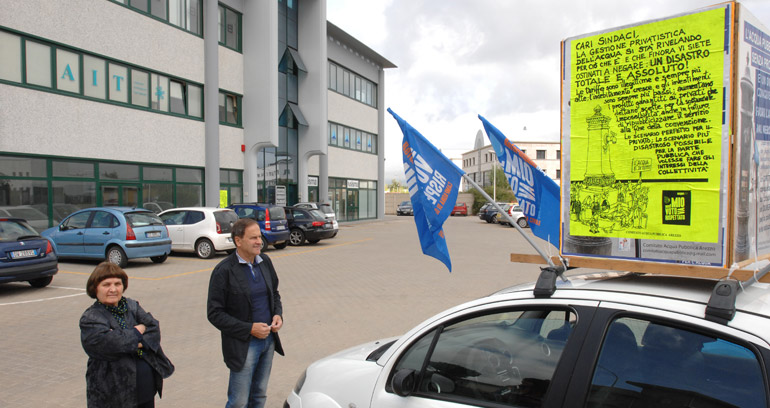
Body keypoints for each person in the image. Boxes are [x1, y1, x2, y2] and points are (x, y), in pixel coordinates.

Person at [208, 218, 284, 408]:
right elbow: (214, 313)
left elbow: (274, 293)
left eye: (259, 236)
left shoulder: (265, 261)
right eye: (253, 238)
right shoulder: (223, 271)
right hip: (244, 345)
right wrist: (249, 328)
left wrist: (278, 314)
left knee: (259, 396)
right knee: (239, 402)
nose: (259, 241)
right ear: (238, 241)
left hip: (268, 341)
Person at [80, 262, 174, 408]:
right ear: (95, 288)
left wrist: (125, 338)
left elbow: (154, 329)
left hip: (145, 391)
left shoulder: (131, 306)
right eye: (106, 284)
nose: (113, 289)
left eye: (118, 284)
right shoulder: (91, 318)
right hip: (112, 395)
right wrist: (138, 331)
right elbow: (110, 345)